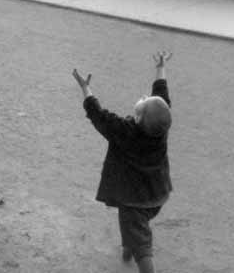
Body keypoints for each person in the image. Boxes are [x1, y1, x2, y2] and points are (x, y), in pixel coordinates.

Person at [72, 51, 173, 273]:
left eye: (144, 101)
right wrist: (160, 68)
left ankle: (137, 255)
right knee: (134, 231)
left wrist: (86, 89)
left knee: (142, 246)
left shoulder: (125, 132)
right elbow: (162, 96)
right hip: (157, 195)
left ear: (137, 117)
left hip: (134, 201)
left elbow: (98, 116)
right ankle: (128, 247)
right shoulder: (161, 129)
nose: (145, 97)